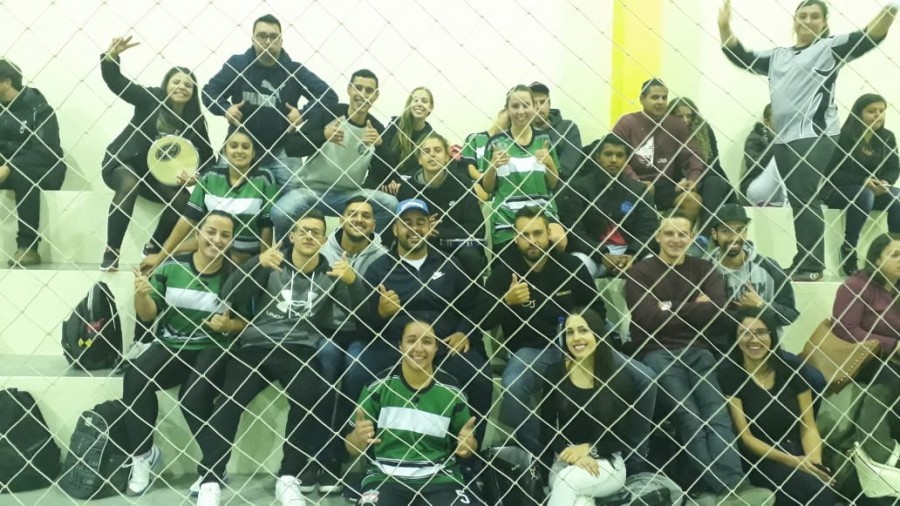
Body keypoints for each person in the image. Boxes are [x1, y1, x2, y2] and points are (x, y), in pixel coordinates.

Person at [719, 0, 899, 281]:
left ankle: (812, 267)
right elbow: (741, 56)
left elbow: (869, 37)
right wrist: (724, 26)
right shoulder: (778, 56)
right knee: (797, 199)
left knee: (804, 197)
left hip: (815, 134)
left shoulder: (829, 48)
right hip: (784, 138)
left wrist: (890, 9)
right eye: (802, 15)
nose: (808, 20)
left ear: (824, 22)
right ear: (794, 21)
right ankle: (803, 260)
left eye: (815, 16)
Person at [194, 210, 364, 506]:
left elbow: (360, 317)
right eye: (303, 230)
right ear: (292, 236)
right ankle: (210, 478)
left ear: (324, 240)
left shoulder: (332, 274)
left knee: (309, 396)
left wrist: (353, 282)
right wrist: (256, 264)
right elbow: (229, 293)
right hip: (256, 346)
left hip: (299, 349)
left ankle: (288, 477)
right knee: (230, 399)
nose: (309, 236)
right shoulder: (271, 263)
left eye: (316, 232)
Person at [625, 212, 774, 505]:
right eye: (669, 233)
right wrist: (694, 308)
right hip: (658, 352)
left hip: (699, 350)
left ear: (692, 238)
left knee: (717, 415)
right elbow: (644, 318)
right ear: (657, 236)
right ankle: (723, 488)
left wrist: (667, 306)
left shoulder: (703, 269)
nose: (676, 239)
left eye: (682, 234)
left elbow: (719, 312)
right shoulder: (640, 272)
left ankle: (734, 485)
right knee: (689, 418)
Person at [345, 199, 492, 451]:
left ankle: (470, 454)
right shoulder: (378, 269)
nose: (414, 228)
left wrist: (463, 331)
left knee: (480, 378)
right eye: (406, 223)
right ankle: (355, 449)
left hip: (442, 345)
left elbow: (472, 305)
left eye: (420, 222)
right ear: (395, 229)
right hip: (394, 345)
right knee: (356, 371)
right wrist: (381, 313)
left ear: (429, 227)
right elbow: (363, 324)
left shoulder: (449, 264)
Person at [123, 211, 244, 496]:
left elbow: (246, 324)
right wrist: (141, 295)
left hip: (214, 347)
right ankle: (143, 457)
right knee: (135, 376)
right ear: (198, 234)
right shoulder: (172, 267)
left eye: (225, 235)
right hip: (172, 344)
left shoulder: (237, 275)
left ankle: (215, 467)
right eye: (211, 232)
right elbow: (148, 315)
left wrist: (229, 326)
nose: (217, 239)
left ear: (231, 241)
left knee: (192, 397)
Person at [99, 35, 214, 271]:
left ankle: (154, 247)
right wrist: (111, 58)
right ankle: (112, 250)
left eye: (188, 85)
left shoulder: (195, 121)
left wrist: (196, 177)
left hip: (155, 177)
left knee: (183, 200)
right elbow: (118, 84)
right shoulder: (150, 99)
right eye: (176, 82)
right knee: (129, 183)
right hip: (124, 163)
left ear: (193, 92)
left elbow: (208, 159)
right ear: (166, 85)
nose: (182, 87)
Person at [345, 320, 483, 506]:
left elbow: (468, 448)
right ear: (400, 346)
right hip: (385, 477)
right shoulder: (377, 387)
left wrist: (468, 446)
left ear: (436, 348)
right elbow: (351, 447)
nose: (419, 348)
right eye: (411, 340)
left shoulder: (453, 392)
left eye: (427, 341)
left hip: (440, 478)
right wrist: (357, 438)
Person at [202, 14, 337, 187]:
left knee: (298, 195)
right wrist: (225, 109)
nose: (267, 42)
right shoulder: (238, 64)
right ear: (253, 39)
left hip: (281, 149)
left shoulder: (293, 71)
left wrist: (303, 114)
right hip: (240, 145)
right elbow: (209, 92)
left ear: (281, 41)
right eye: (262, 36)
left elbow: (329, 96)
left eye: (273, 37)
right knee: (216, 189)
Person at [709, 204, 826, 395]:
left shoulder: (768, 266)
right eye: (726, 231)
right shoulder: (705, 270)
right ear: (714, 234)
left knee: (816, 380)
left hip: (766, 349)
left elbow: (790, 314)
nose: (734, 237)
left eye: (739, 230)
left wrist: (761, 306)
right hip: (724, 351)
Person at [720, 313, 837, 505]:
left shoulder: (791, 369)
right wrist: (794, 462)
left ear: (771, 335)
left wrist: (814, 463)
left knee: (825, 485)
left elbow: (808, 425)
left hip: (798, 449)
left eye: (760, 332)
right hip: (763, 458)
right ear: (736, 338)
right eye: (745, 333)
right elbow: (746, 438)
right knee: (815, 492)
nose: (754, 339)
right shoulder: (730, 376)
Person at [315, 196, 388, 494]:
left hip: (363, 331)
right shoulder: (322, 250)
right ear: (342, 219)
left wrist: (352, 280)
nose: (359, 219)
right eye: (352, 214)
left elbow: (370, 313)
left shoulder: (382, 257)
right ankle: (319, 450)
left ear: (374, 224)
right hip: (327, 329)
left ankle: (337, 451)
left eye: (366, 216)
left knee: (356, 365)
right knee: (326, 357)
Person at [271, 69, 398, 237]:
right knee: (279, 213)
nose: (362, 94)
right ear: (349, 89)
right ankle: (288, 251)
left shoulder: (376, 128)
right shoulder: (328, 113)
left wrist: (380, 146)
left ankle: (366, 247)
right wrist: (323, 135)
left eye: (369, 90)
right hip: (312, 191)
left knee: (391, 204)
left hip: (350, 195)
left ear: (375, 96)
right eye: (358, 88)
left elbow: (384, 176)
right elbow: (292, 147)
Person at [538, 308, 636, 506]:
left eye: (583, 330)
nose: (576, 338)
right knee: (581, 501)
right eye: (569, 332)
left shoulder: (620, 380)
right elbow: (546, 429)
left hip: (607, 463)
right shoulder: (555, 373)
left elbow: (625, 439)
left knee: (568, 482)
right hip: (565, 460)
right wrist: (572, 455)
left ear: (597, 334)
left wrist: (589, 450)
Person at [142, 129, 277, 271]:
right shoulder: (210, 176)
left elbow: (266, 226)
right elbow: (188, 219)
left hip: (244, 254)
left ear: (253, 153)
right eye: (233, 146)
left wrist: (263, 266)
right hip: (211, 245)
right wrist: (160, 257)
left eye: (245, 147)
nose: (239, 151)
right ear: (225, 151)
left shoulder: (264, 178)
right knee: (161, 263)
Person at [560, 134, 658, 278]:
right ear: (597, 157)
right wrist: (602, 255)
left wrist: (633, 255)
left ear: (626, 160)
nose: (613, 159)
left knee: (655, 267)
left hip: (630, 252)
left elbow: (648, 229)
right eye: (608, 154)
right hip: (592, 253)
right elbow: (574, 231)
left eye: (619, 155)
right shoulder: (578, 188)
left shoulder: (639, 190)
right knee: (576, 267)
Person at [482, 85, 566, 252]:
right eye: (515, 106)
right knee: (511, 255)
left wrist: (549, 163)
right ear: (507, 109)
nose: (521, 111)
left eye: (526, 105)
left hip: (541, 212)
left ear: (534, 107)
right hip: (508, 216)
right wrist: (492, 167)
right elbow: (488, 188)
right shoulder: (495, 143)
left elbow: (553, 184)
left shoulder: (545, 139)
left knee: (559, 241)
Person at [825, 94, 900, 276]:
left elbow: (893, 167)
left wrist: (886, 182)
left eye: (881, 111)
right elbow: (831, 172)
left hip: (872, 191)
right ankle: (848, 249)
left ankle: (895, 248)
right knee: (864, 195)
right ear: (859, 113)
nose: (878, 115)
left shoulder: (887, 138)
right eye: (871, 111)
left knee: (897, 196)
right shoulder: (843, 136)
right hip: (837, 190)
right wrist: (863, 181)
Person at [0, 58, 65, 267]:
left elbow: (46, 151)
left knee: (23, 174)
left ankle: (28, 247)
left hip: (45, 169)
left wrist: (10, 166)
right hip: (6, 168)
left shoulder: (40, 108)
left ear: (6, 82)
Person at [396, 132, 487, 279]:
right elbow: (398, 229)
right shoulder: (407, 189)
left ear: (447, 157)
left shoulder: (462, 184)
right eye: (426, 151)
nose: (432, 154)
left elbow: (477, 228)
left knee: (470, 256)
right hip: (421, 246)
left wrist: (437, 231)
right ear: (419, 159)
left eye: (437, 150)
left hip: (458, 248)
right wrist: (422, 230)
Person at [612, 79, 703, 225]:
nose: (660, 102)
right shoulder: (627, 122)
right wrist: (637, 182)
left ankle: (679, 236)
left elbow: (693, 154)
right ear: (642, 99)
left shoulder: (676, 125)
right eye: (655, 97)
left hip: (664, 185)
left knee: (692, 200)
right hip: (630, 184)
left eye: (664, 98)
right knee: (644, 191)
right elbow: (616, 157)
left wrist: (693, 179)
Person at [367, 86, 434, 194]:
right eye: (415, 100)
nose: (419, 104)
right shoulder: (395, 125)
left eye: (424, 101)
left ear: (430, 107)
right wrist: (391, 180)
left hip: (407, 186)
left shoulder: (431, 137)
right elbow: (384, 156)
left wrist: (400, 182)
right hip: (380, 181)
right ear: (409, 104)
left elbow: (420, 170)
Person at [530, 82, 583, 180]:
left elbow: (567, 169)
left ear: (549, 104)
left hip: (562, 185)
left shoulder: (568, 129)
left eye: (542, 102)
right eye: (533, 103)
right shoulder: (523, 133)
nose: (538, 107)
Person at [669, 97, 728, 181]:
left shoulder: (703, 129)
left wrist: (695, 178)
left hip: (707, 175)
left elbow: (714, 160)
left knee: (714, 182)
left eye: (689, 116)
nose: (685, 120)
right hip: (679, 179)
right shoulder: (666, 132)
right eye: (680, 116)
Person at [741, 104, 787, 207]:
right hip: (754, 187)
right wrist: (775, 144)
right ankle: (789, 199)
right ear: (767, 122)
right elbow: (753, 165)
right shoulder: (755, 137)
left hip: (776, 191)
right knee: (780, 153)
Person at [461, 108, 508, 201]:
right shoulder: (475, 138)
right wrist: (486, 182)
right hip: (478, 187)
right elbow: (470, 167)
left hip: (502, 190)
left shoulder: (509, 143)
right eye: (508, 118)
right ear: (500, 113)